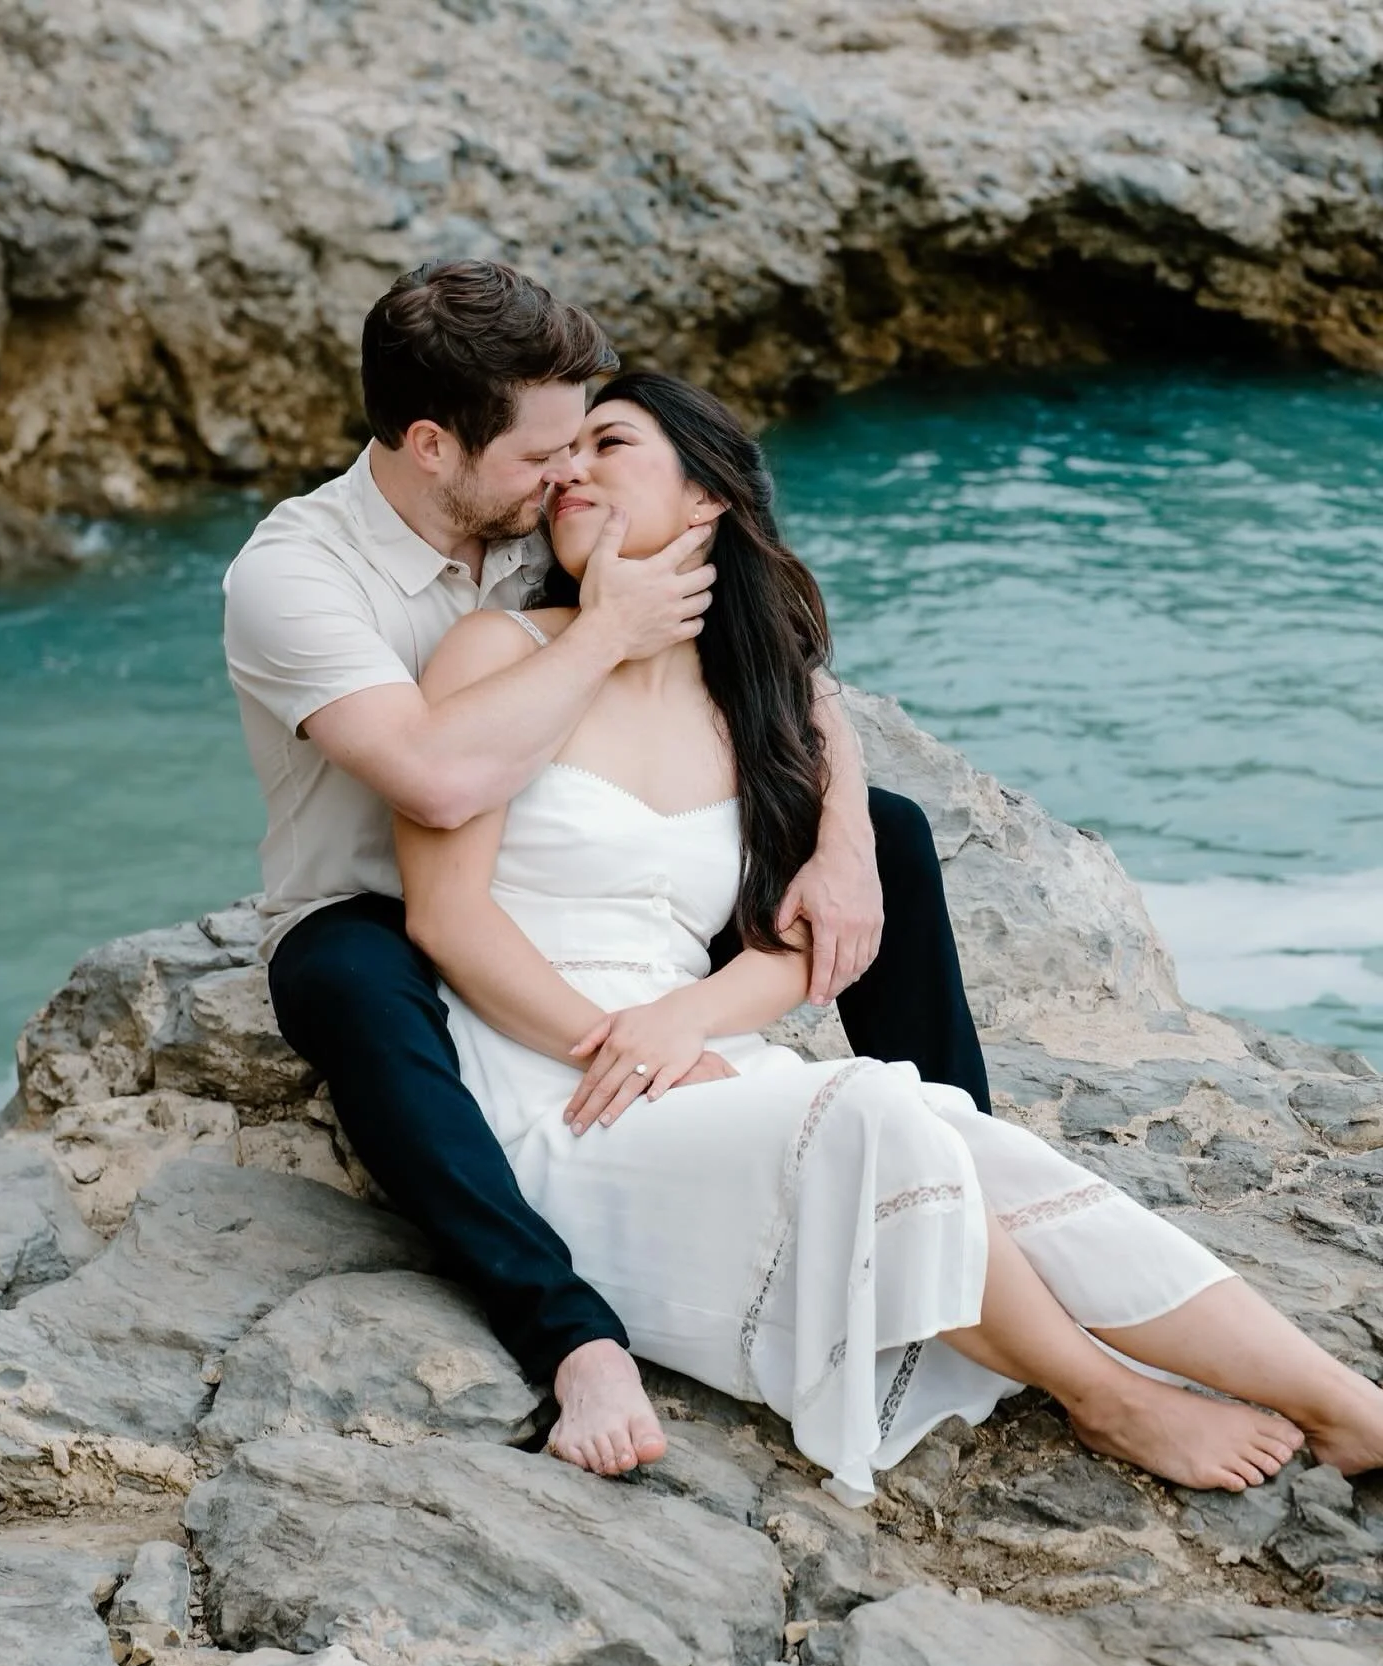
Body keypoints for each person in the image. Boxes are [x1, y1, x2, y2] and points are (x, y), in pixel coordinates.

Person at [394, 370, 1383, 1502]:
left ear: (708, 499)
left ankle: (1347, 1407)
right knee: (871, 1105)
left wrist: (686, 1018)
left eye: (608, 445)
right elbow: (446, 913)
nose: (569, 469)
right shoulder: (497, 651)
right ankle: (1103, 1395)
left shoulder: (752, 708)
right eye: (560, 454)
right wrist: (614, 1042)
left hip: (695, 1054)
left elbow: (796, 944)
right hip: (555, 1089)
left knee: (976, 1146)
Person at [223, 260, 988, 1477]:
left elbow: (775, 659)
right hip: (381, 905)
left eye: (584, 446)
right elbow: (436, 780)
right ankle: (570, 1334)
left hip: (580, 876)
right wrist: (611, 635)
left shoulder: (532, 516)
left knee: (890, 831)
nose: (566, 477)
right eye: (540, 457)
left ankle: (964, 1179)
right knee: (343, 980)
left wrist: (842, 831)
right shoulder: (296, 576)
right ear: (433, 444)